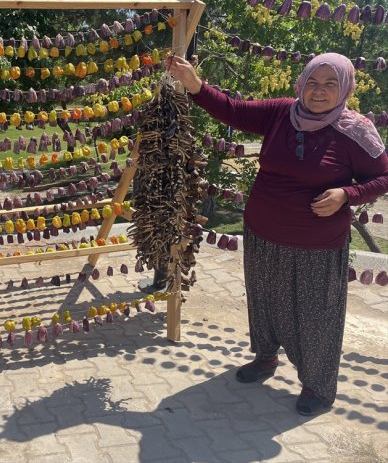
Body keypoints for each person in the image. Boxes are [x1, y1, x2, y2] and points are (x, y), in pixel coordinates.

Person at [165, 52, 388, 416]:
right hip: (263, 231)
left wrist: (347, 195)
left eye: (330, 84)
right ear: (301, 84)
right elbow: (233, 110)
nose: (319, 91)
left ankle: (318, 386)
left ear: (345, 88)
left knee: (316, 314)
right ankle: (265, 358)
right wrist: (195, 86)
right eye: (313, 82)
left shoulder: (356, 130)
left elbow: (383, 176)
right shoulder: (282, 112)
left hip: (317, 243)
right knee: (265, 300)